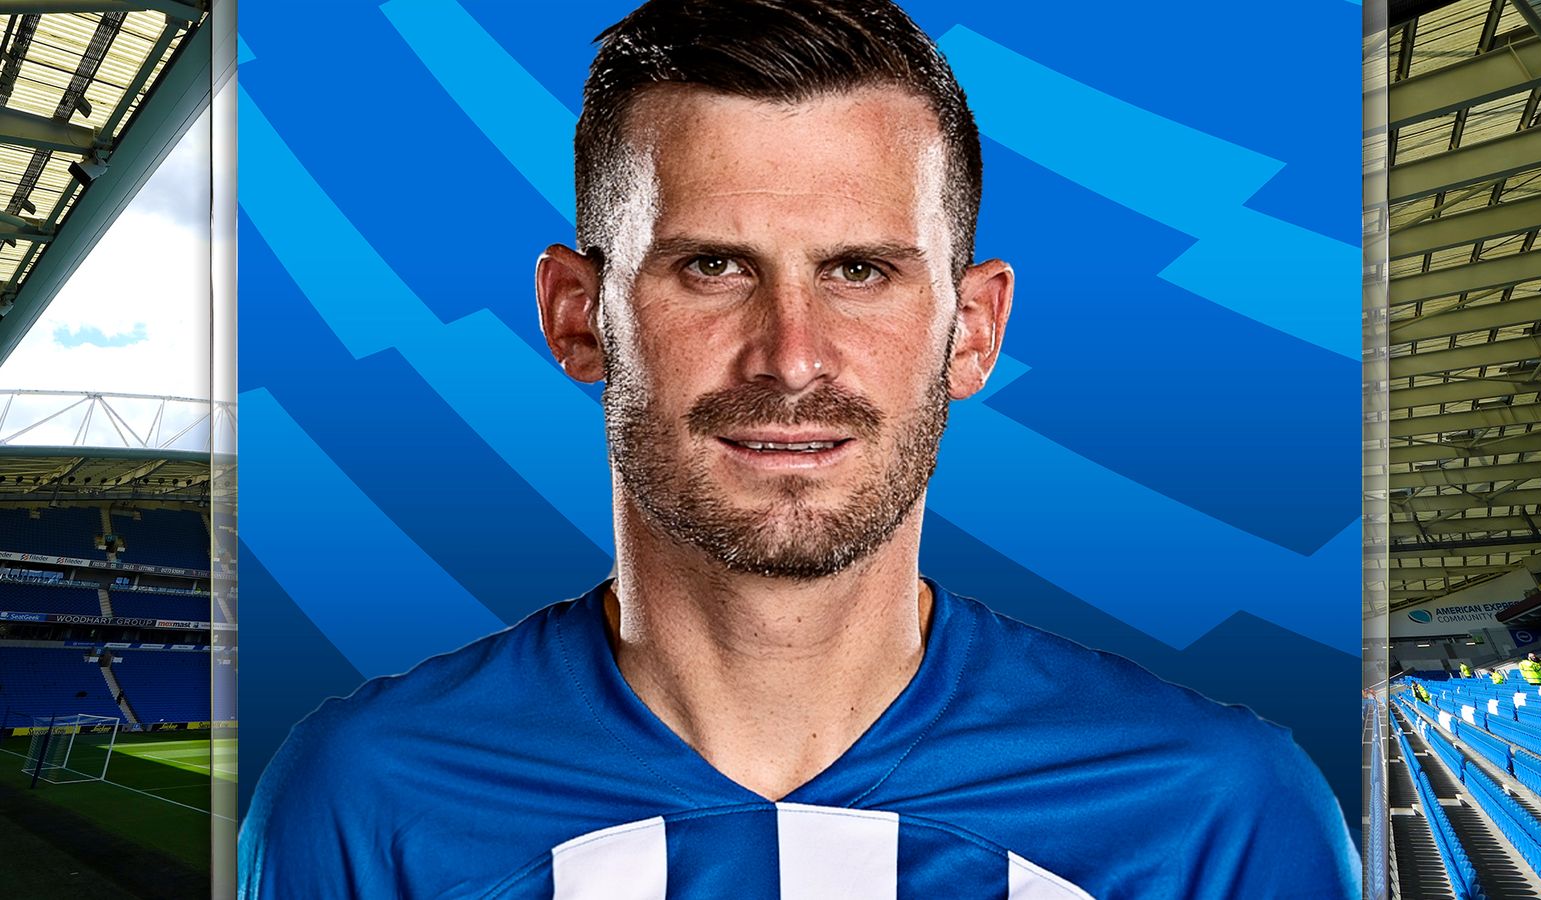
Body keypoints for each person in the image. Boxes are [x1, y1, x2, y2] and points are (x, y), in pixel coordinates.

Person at [238, 1, 1358, 896]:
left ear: (972, 331)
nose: (790, 357)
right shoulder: (369, 803)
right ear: (579, 317)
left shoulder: (1216, 817)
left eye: (859, 271)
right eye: (712, 267)